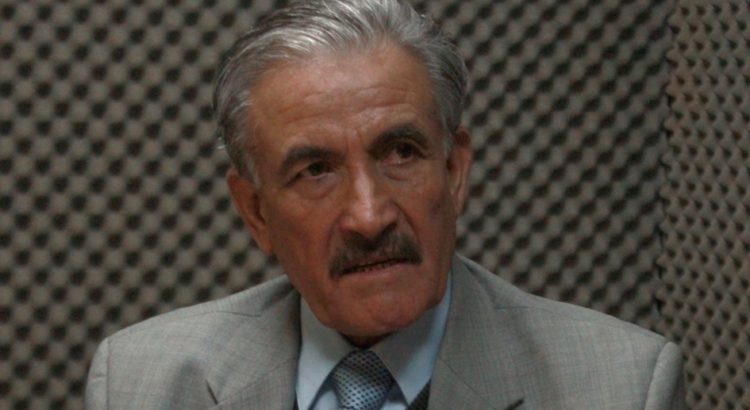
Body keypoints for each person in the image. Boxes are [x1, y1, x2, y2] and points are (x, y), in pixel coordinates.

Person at [85, 0, 685, 408]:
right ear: (256, 214)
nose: (370, 217)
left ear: (453, 171)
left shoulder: (622, 387)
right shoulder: (141, 384)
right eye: (316, 171)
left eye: (400, 153)